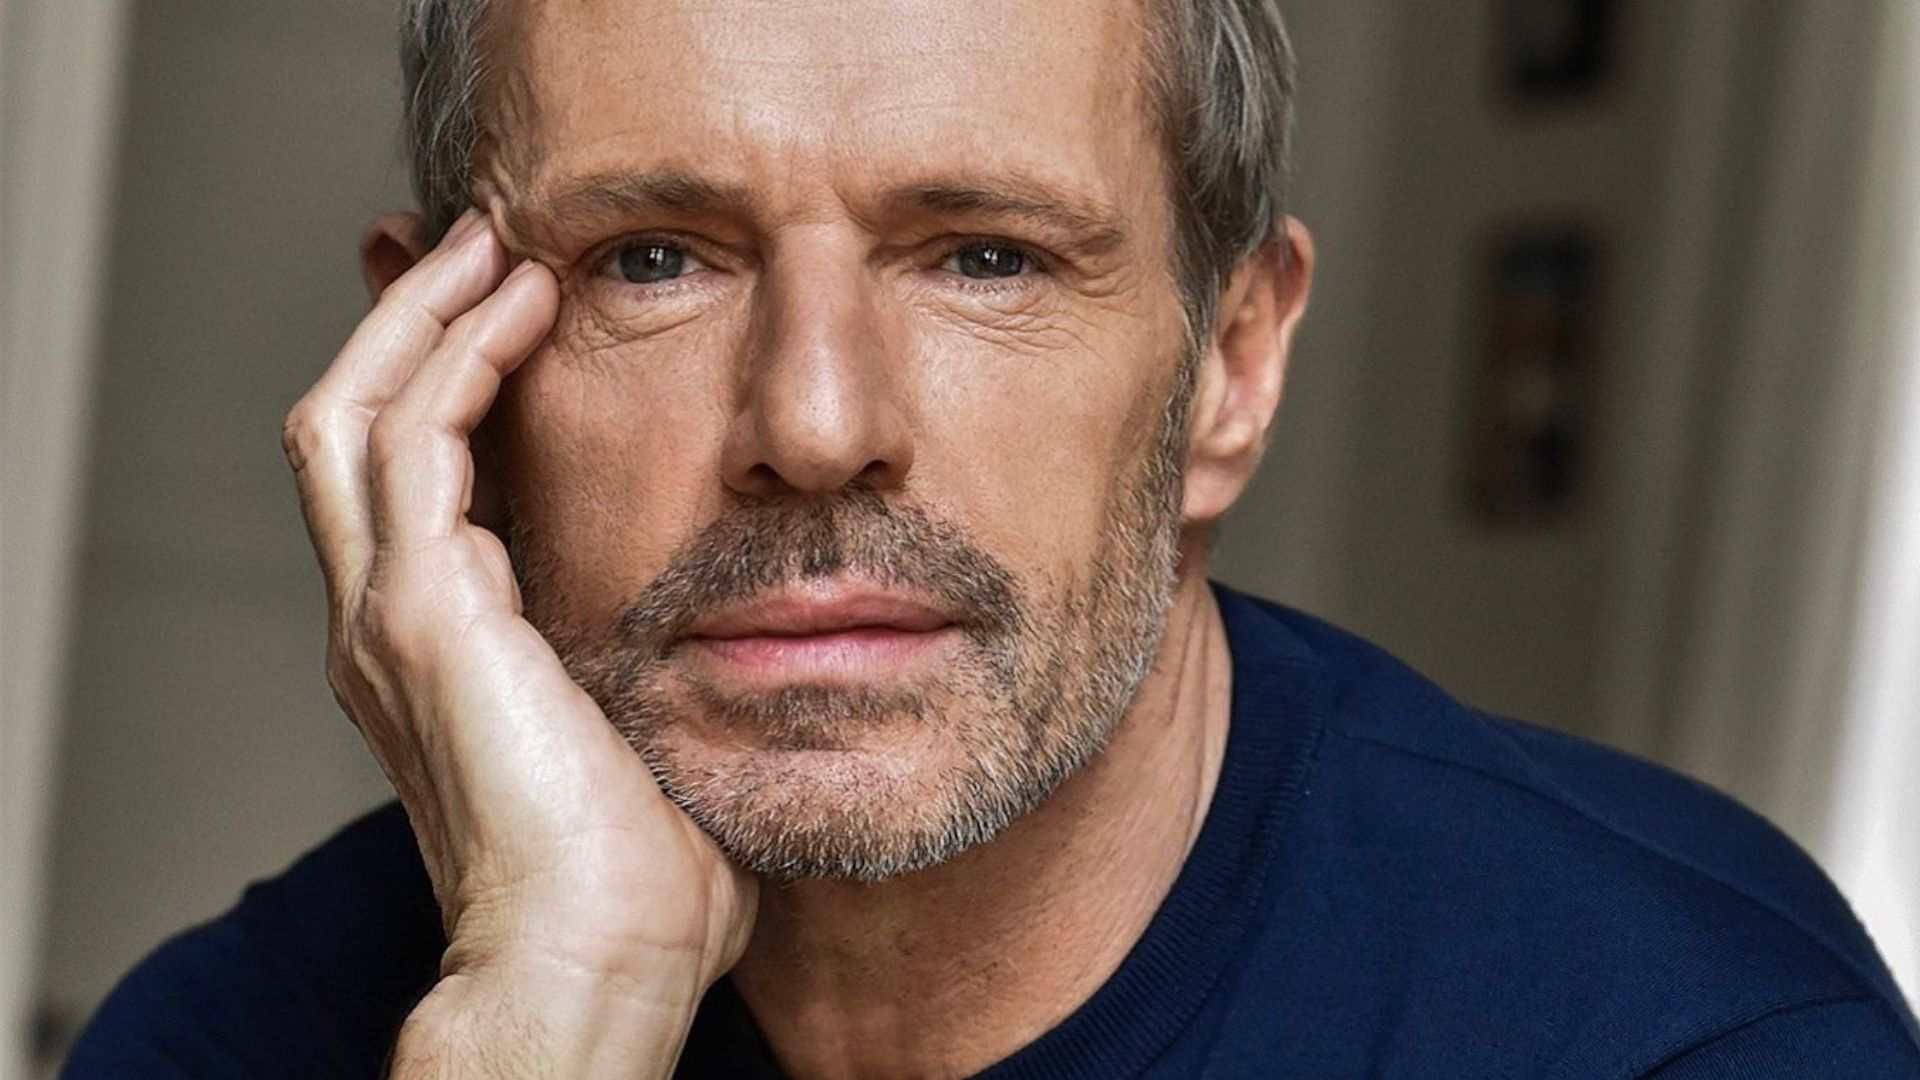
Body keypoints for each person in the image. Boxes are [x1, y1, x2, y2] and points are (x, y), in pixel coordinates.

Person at [64, 0, 1920, 1075]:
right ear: (442, 378)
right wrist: (565, 1013)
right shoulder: (247, 1038)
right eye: (655, 257)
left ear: (1232, 365)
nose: (815, 423)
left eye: (985, 258)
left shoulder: (1691, 1038)